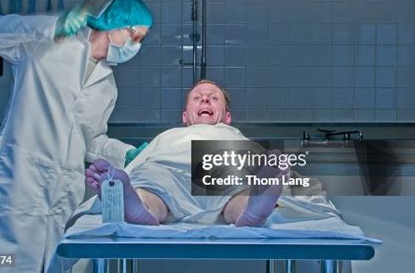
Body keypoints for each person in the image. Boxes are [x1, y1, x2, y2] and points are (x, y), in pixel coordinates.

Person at [0, 0, 152, 272]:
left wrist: (127, 153)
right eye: (136, 36)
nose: (136, 46)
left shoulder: (107, 86)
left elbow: (91, 141)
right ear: (115, 24)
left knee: (53, 265)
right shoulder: (46, 46)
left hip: (64, 191)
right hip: (20, 182)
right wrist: (53, 25)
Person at [85, 80, 288, 227]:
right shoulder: (169, 136)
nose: (205, 100)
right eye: (197, 98)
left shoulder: (232, 134)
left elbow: (262, 162)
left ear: (227, 117)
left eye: (214, 98)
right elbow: (142, 161)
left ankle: (249, 209)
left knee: (241, 185)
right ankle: (140, 208)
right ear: (185, 116)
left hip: (222, 165)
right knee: (149, 178)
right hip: (168, 170)